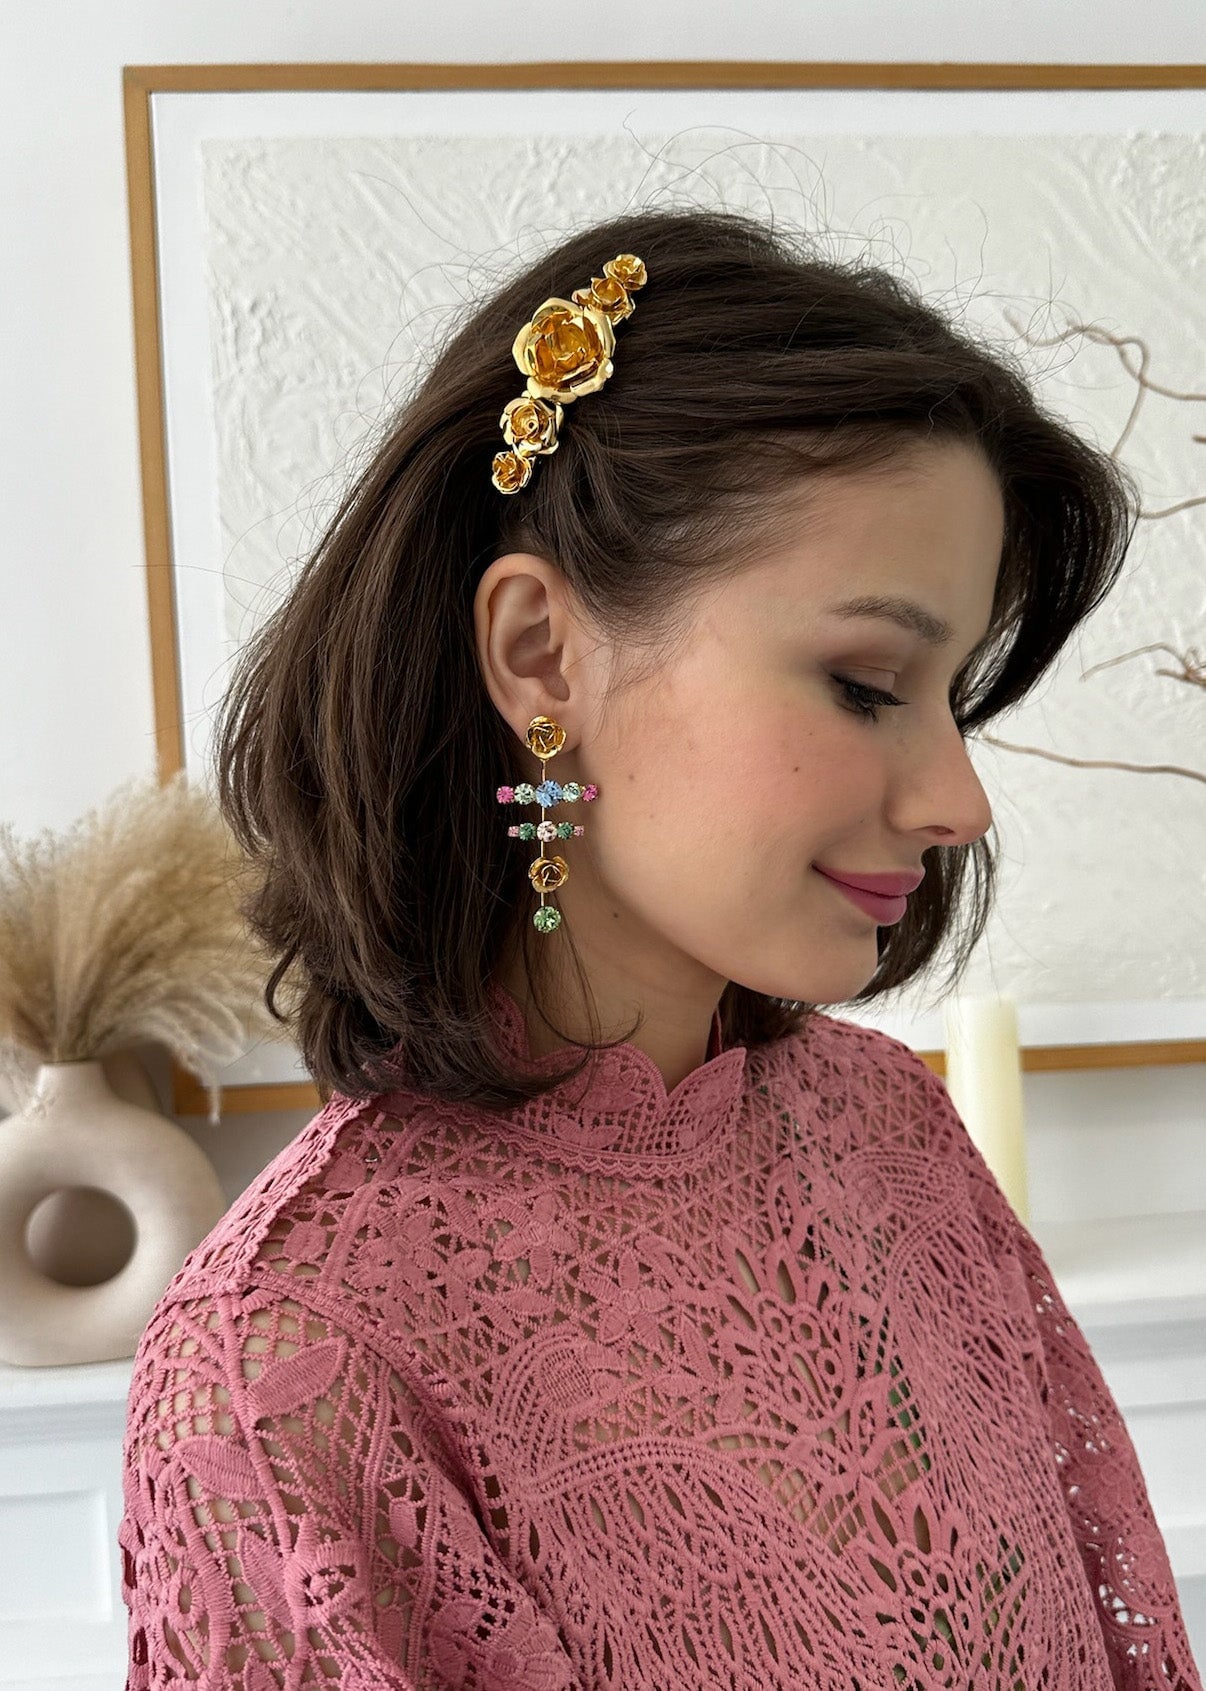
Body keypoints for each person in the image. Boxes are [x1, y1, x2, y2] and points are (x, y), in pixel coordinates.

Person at [117, 206, 1202, 1689]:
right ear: (539, 658)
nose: (958, 800)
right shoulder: (288, 1368)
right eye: (867, 682)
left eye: (955, 696)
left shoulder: (893, 1139)